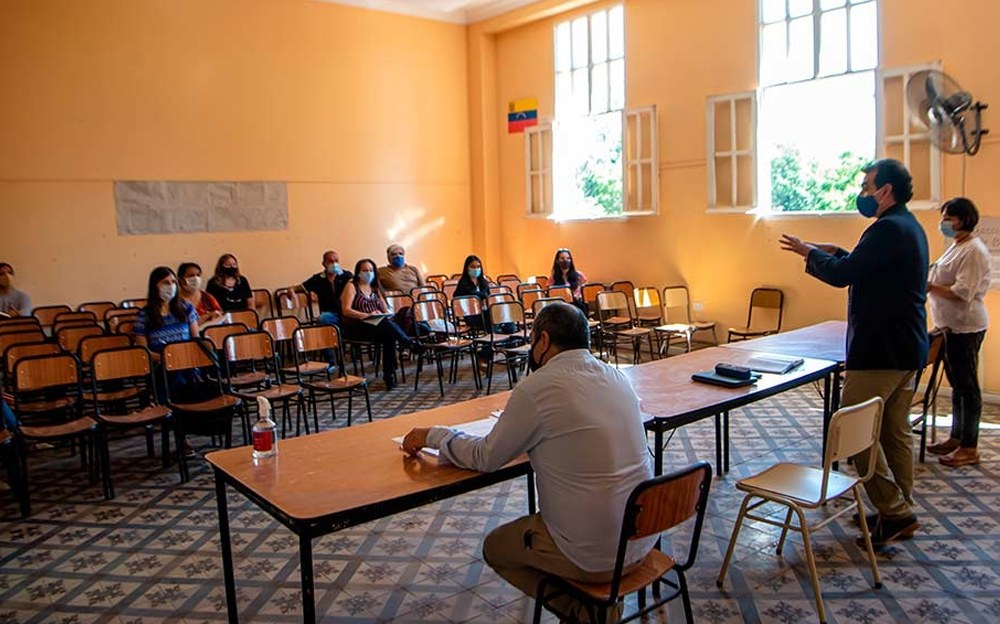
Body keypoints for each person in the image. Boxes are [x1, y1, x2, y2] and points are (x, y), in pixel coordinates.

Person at [401, 303, 654, 623]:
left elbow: (486, 457)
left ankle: (586, 613)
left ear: (543, 340)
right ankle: (599, 607)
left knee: (497, 548)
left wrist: (434, 435)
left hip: (593, 557)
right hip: (643, 539)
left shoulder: (537, 387)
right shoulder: (617, 377)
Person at [779, 158, 928, 547]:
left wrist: (810, 252)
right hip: (907, 347)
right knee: (894, 432)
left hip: (881, 350)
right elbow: (868, 268)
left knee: (852, 431)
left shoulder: (886, 229)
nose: (862, 193)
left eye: (866, 186)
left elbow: (843, 274)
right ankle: (898, 508)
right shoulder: (908, 225)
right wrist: (837, 251)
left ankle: (895, 512)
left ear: (885, 190)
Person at [925, 197, 991, 467]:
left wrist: (930, 287)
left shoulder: (973, 250)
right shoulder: (957, 245)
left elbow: (963, 292)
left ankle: (969, 446)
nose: (943, 223)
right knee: (956, 385)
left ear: (963, 220)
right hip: (948, 325)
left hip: (966, 327)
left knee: (968, 387)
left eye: (948, 218)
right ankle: (956, 437)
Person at [340, 258, 417, 390]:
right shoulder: (351, 286)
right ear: (358, 272)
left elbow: (385, 310)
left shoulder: (375, 287)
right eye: (365, 270)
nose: (368, 273)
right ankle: (406, 344)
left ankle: (389, 375)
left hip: (378, 325)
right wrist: (366, 315)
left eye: (371, 270)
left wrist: (380, 313)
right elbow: (346, 310)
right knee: (388, 330)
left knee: (389, 333)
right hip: (358, 326)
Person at [133, 267, 200, 355]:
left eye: (173, 282)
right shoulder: (143, 315)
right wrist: (166, 359)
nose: (171, 286)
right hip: (160, 361)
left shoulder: (186, 308)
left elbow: (196, 341)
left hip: (186, 358)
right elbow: (144, 351)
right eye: (166, 283)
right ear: (155, 286)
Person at [302, 250, 353, 326]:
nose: (334, 264)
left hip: (347, 311)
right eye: (331, 261)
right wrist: (291, 290)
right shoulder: (317, 279)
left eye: (336, 261)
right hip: (330, 314)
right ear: (324, 263)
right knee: (323, 318)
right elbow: (301, 287)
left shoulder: (347, 276)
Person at [177, 262, 224, 328]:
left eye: (198, 275)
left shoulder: (207, 297)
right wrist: (207, 316)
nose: (196, 278)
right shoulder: (174, 300)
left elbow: (220, 315)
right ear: (180, 279)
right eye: (191, 276)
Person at [549, 248, 588, 314]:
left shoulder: (579, 275)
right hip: (561, 307)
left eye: (568, 258)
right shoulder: (553, 277)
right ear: (557, 261)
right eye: (562, 258)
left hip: (577, 305)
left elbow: (584, 293)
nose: (565, 260)